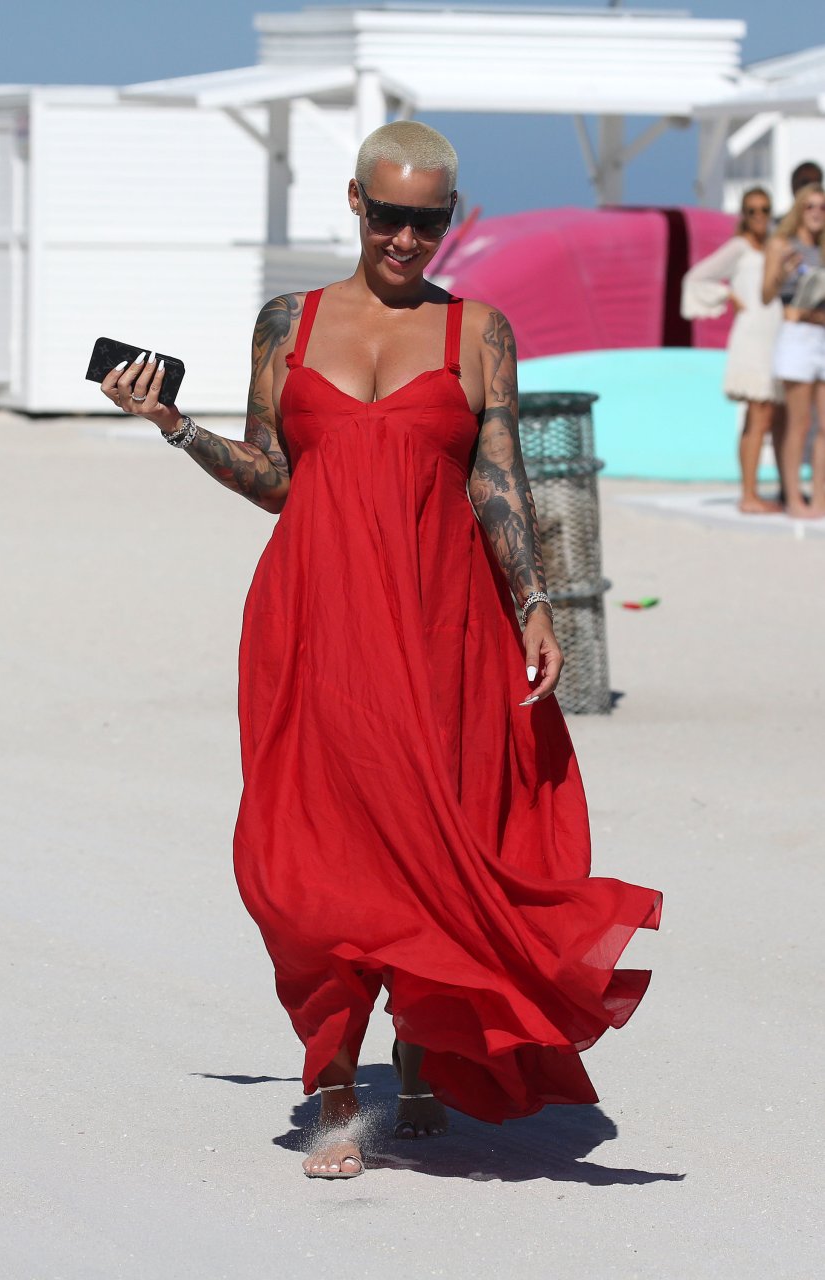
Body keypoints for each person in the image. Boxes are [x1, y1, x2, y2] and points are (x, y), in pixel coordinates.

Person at [101, 121, 662, 1180]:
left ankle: (414, 1052)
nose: (407, 239)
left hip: (442, 620)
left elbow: (497, 478)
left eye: (428, 221)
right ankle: (334, 1082)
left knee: (433, 835)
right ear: (356, 202)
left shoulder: (478, 330)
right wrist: (174, 423)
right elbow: (276, 478)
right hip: (314, 614)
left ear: (450, 217)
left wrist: (533, 600)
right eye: (391, 215)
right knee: (311, 851)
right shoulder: (288, 322)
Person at [681, 187, 785, 513]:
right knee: (758, 415)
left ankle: (778, 489)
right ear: (743, 214)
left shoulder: (775, 246)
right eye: (752, 210)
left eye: (764, 209)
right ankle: (749, 495)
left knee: (776, 416)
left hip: (776, 336)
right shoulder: (739, 247)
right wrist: (727, 296)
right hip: (752, 336)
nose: (759, 216)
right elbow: (696, 277)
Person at [762, 183, 825, 518]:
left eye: (823, 207)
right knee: (798, 423)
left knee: (823, 427)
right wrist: (783, 273)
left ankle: (820, 499)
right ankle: (794, 498)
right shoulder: (782, 245)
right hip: (798, 339)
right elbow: (765, 295)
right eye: (810, 205)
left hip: (821, 332)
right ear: (799, 208)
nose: (816, 213)